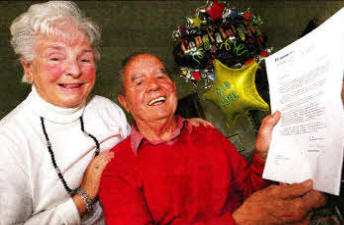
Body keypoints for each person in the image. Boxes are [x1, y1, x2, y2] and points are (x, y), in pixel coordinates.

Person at [0, 2, 210, 224]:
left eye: (84, 59)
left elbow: (144, 163)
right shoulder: (8, 142)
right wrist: (85, 195)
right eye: (56, 58)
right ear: (28, 68)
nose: (74, 70)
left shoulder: (107, 109)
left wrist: (176, 131)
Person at [99, 53, 326, 225]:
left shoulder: (207, 134)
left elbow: (250, 193)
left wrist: (262, 156)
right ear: (125, 102)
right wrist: (239, 220)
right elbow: (249, 213)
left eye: (161, 76)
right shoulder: (117, 170)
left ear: (173, 88)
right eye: (139, 83)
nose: (154, 86)